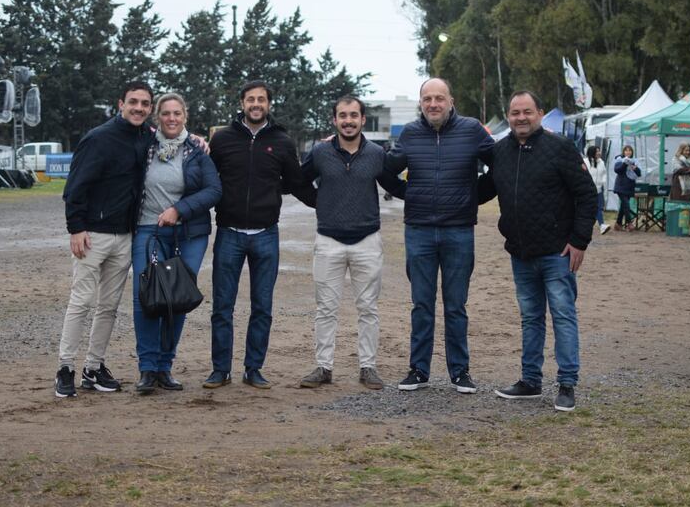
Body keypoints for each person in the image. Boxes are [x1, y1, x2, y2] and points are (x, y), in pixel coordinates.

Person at [479, 90, 596, 412]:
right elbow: (484, 190)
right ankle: (530, 381)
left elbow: (587, 195)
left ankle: (567, 383)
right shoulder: (500, 152)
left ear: (540, 114)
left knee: (563, 316)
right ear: (508, 116)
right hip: (520, 253)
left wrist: (580, 240)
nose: (521, 118)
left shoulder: (560, 148)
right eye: (515, 113)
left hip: (557, 253)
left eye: (527, 112)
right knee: (530, 318)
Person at [204, 80, 317, 390]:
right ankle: (220, 370)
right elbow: (206, 179)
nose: (256, 104)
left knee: (262, 308)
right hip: (229, 233)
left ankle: (253, 369)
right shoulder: (222, 139)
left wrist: (328, 202)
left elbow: (296, 182)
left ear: (269, 104)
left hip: (266, 234)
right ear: (242, 103)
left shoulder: (282, 141)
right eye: (251, 99)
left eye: (261, 99)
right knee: (222, 307)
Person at [384, 78, 494, 394]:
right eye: (427, 99)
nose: (433, 104)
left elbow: (500, 165)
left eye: (439, 98)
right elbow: (386, 169)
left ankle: (460, 371)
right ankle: (419, 370)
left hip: (459, 231)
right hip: (418, 231)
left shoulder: (472, 130)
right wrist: (409, 193)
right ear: (421, 103)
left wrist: (473, 197)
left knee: (456, 305)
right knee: (422, 304)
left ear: (451, 101)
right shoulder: (410, 133)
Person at [298, 96, 405, 391]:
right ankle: (324, 367)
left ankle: (368, 367)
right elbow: (298, 180)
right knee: (326, 308)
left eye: (353, 115)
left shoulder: (377, 154)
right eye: (343, 116)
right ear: (335, 120)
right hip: (328, 241)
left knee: (368, 308)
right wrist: (318, 202)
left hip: (367, 241)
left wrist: (429, 193)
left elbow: (394, 186)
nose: (348, 121)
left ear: (362, 119)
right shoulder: (320, 152)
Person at [55, 80, 154, 398]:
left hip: (124, 236)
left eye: (145, 103)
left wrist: (196, 140)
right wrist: (76, 228)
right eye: (133, 102)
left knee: (109, 307)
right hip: (92, 235)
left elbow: (174, 139)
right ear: (120, 104)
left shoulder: (146, 137)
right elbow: (75, 187)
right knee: (81, 302)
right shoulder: (98, 138)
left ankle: (93, 367)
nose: (139, 108)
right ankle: (65, 368)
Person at [132, 93, 222, 395]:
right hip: (149, 231)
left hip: (189, 234)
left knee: (177, 298)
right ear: (157, 117)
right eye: (166, 113)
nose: (171, 118)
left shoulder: (197, 150)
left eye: (177, 113)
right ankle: (147, 368)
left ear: (185, 116)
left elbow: (214, 190)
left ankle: (164, 366)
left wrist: (179, 210)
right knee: (146, 296)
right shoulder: (144, 146)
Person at [613, 145, 641, 231]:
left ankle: (618, 224)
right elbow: (617, 170)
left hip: (630, 186)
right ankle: (629, 223)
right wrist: (625, 163)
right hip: (620, 186)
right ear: (623, 152)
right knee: (626, 204)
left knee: (623, 205)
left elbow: (639, 173)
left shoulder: (635, 161)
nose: (628, 152)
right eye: (626, 150)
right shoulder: (620, 160)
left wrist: (635, 168)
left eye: (630, 150)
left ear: (632, 152)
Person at [585, 145, 610, 235]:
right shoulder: (585, 162)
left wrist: (603, 182)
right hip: (588, 190)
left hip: (598, 189)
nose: (599, 153)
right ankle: (598, 224)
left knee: (598, 207)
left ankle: (602, 225)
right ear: (592, 153)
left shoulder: (601, 162)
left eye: (599, 151)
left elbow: (604, 174)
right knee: (591, 208)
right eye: (597, 151)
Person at [669, 142, 690, 210]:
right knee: (679, 208)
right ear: (681, 150)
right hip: (679, 188)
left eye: (689, 150)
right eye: (686, 150)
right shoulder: (676, 159)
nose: (688, 152)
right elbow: (678, 170)